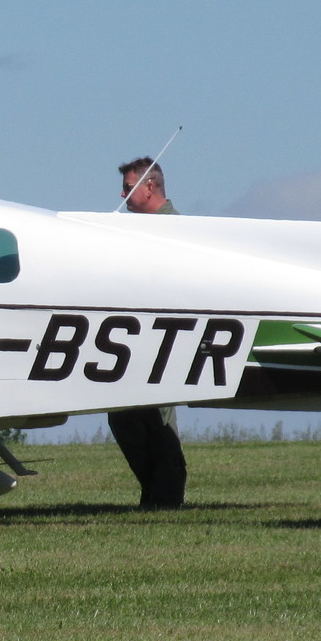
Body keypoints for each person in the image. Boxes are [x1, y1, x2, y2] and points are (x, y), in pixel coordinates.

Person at [110, 155, 187, 506]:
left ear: (149, 187)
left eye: (128, 188)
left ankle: (166, 495)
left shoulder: (173, 231)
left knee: (158, 418)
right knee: (124, 415)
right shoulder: (140, 231)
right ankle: (154, 492)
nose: (123, 196)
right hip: (138, 336)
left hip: (164, 335)